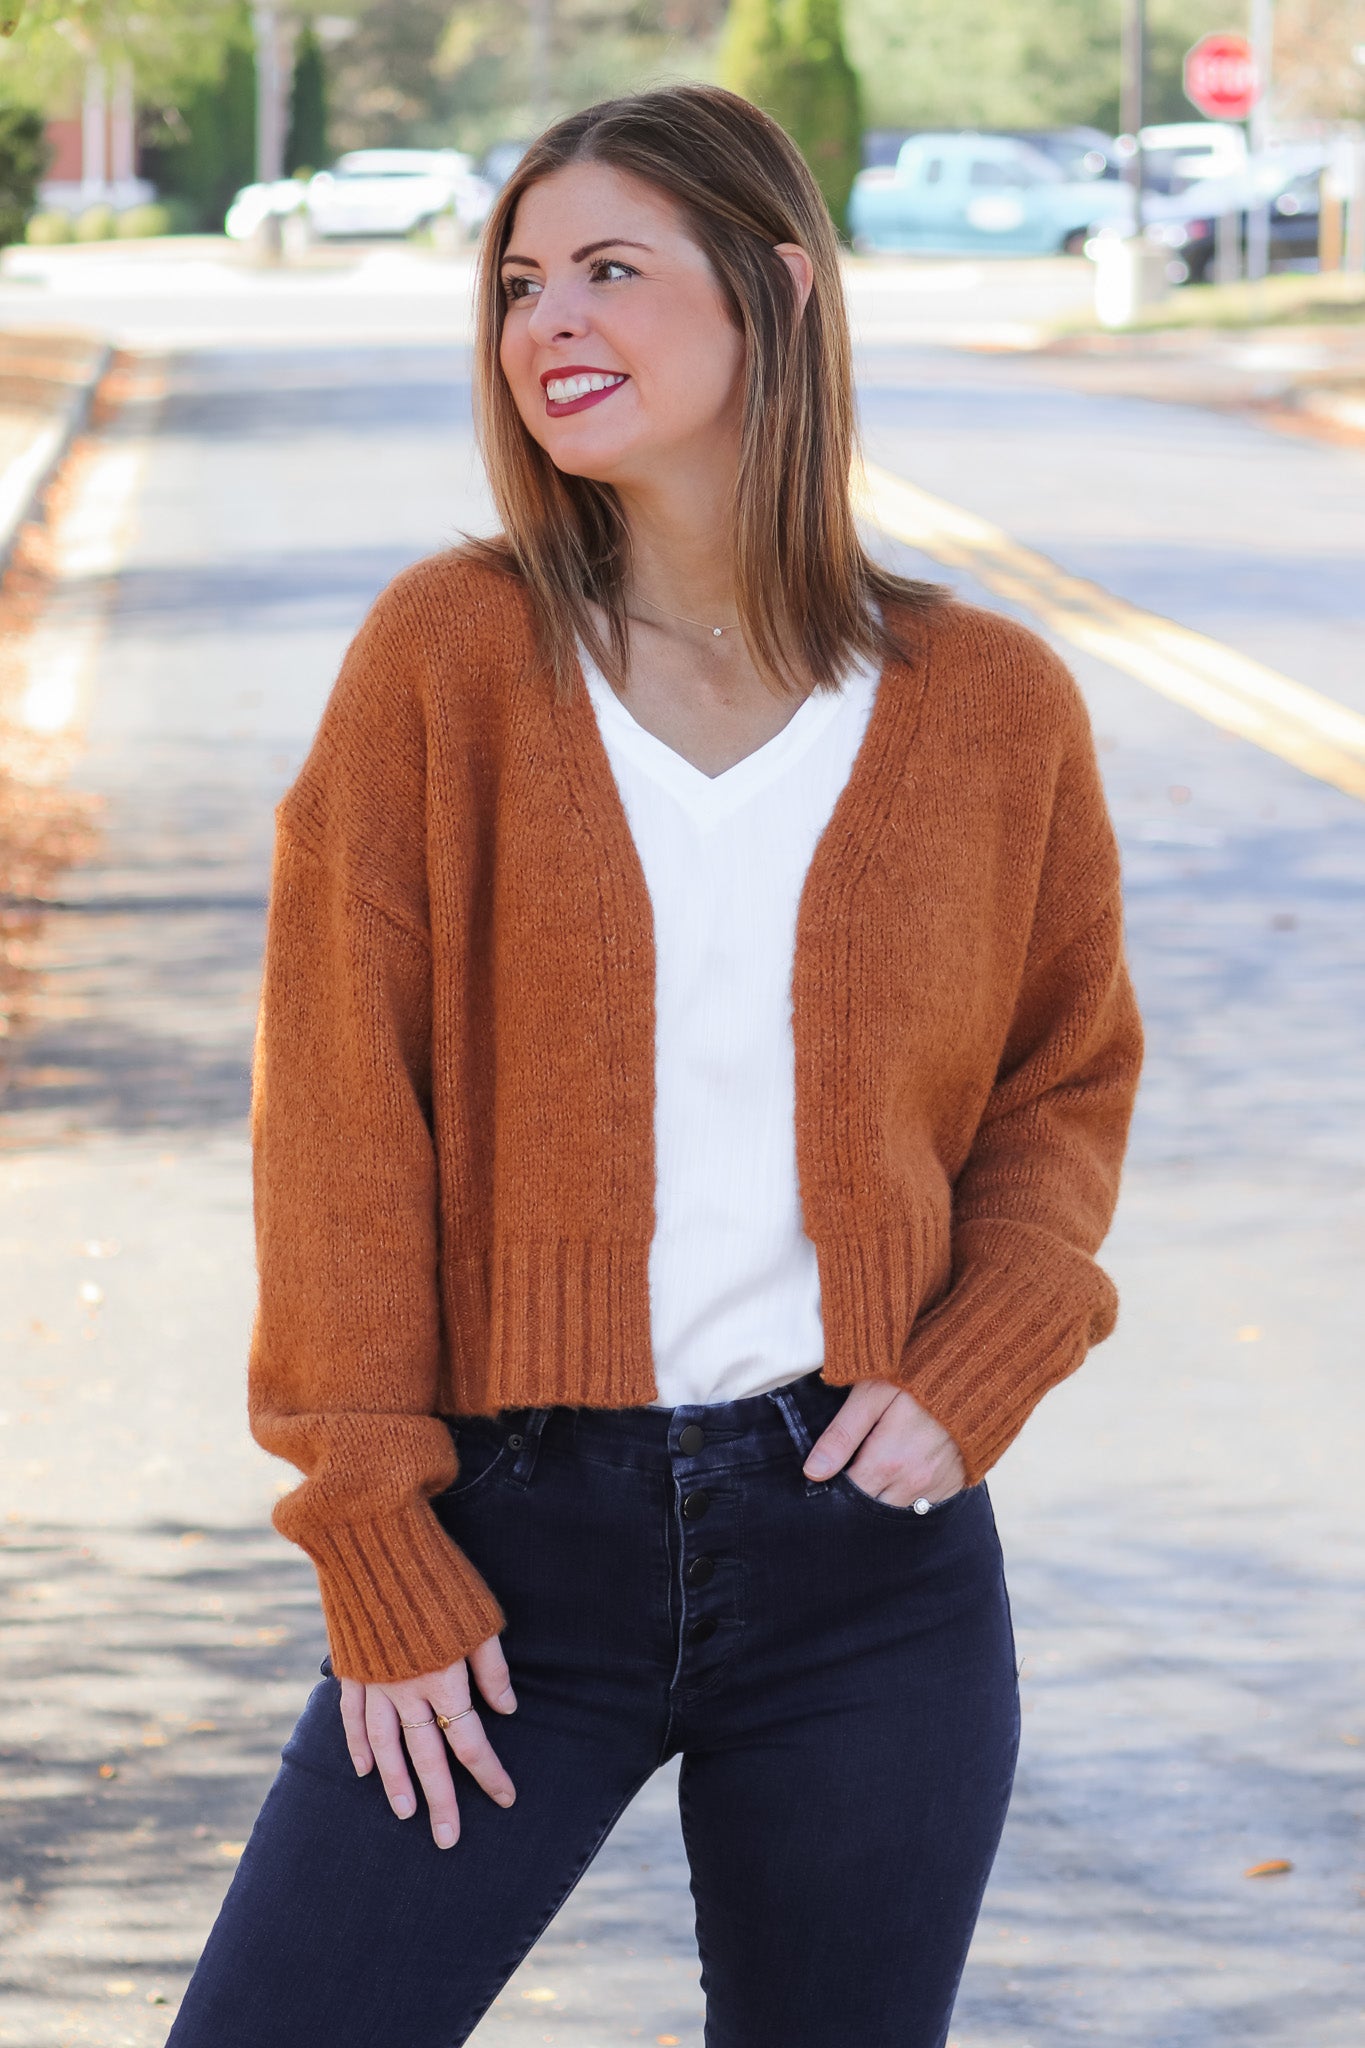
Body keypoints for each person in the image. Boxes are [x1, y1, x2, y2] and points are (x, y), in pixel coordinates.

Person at [166, 83, 1142, 2048]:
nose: (545, 322)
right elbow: (337, 1121)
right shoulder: (445, 662)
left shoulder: (983, 703)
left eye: (609, 268)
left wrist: (987, 1350)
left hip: (867, 1560)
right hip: (507, 1541)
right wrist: (369, 1521)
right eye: (520, 282)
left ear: (773, 288)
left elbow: (1063, 1077)